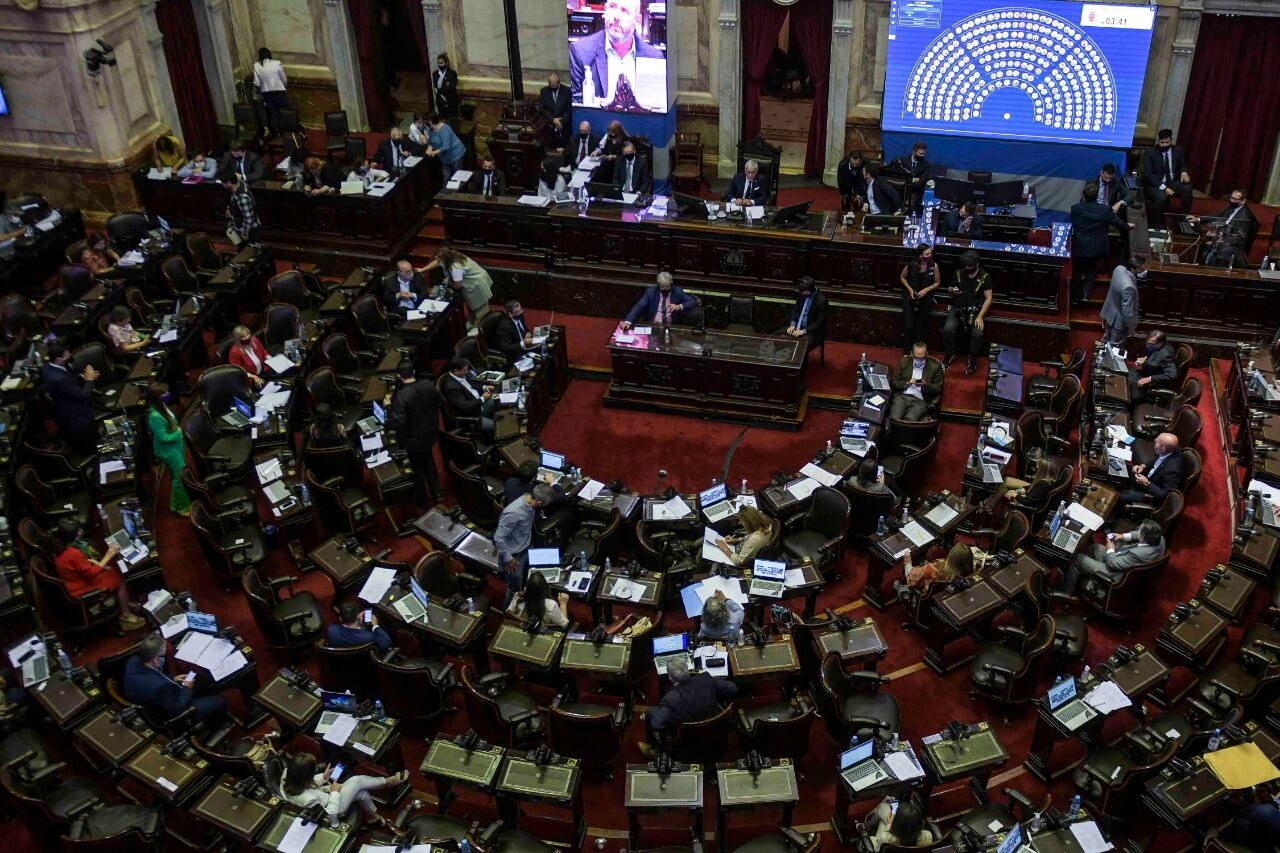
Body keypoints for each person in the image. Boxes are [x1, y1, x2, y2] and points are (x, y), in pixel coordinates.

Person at [52, 519, 145, 630]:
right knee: (119, 580)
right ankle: (125, 615)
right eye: (78, 530)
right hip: (81, 589)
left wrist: (95, 563)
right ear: (73, 536)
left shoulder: (59, 549)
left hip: (73, 583)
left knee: (111, 571)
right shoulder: (73, 553)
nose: (81, 531)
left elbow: (74, 565)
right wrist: (108, 555)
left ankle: (125, 603)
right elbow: (91, 573)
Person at [638, 656, 738, 757]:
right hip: (714, 732)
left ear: (670, 678)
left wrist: (671, 724)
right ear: (688, 670)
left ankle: (656, 750)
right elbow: (733, 689)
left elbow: (657, 724)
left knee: (650, 712)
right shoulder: (706, 679)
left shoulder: (670, 698)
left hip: (686, 740)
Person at [274, 750, 406, 827]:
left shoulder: (288, 773)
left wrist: (324, 777)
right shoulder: (307, 799)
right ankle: (388, 781)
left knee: (361, 792)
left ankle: (375, 817)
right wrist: (335, 793)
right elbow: (331, 815)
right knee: (356, 780)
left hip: (324, 794)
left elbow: (308, 783)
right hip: (334, 807)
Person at [570, 0, 664, 107]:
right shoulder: (581, 52)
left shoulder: (653, 58)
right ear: (605, 10)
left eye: (624, 10)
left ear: (637, 20)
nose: (616, 17)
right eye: (612, 6)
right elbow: (578, 109)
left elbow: (655, 111)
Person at [124, 634, 228, 722]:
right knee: (220, 700)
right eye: (163, 656)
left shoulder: (133, 661)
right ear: (156, 659)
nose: (164, 658)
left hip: (153, 698)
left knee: (201, 681)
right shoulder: (159, 687)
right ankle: (219, 724)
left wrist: (172, 679)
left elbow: (155, 674)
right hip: (170, 713)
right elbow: (177, 709)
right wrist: (187, 688)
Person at [385, 360, 445, 506]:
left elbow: (397, 422)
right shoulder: (427, 385)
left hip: (412, 439)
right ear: (413, 372)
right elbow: (441, 402)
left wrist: (388, 407)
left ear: (399, 375)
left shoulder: (401, 396)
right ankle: (437, 494)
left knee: (416, 467)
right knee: (429, 461)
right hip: (430, 434)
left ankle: (422, 500)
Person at [1061, 519, 1166, 595]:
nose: (1137, 529)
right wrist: (1122, 536)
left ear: (1144, 538)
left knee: (1078, 558)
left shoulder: (1137, 555)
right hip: (1122, 563)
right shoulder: (1159, 539)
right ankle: (1093, 581)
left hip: (1115, 574)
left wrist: (1111, 548)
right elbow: (1139, 534)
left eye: (1140, 531)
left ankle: (1065, 594)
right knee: (1096, 548)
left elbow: (1112, 564)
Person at [1069, 181, 1131, 305]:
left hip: (1079, 246)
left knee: (1077, 271)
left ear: (1083, 195)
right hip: (1095, 248)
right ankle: (1085, 295)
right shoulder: (1104, 210)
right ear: (1097, 195)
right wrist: (1127, 226)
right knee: (1091, 270)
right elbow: (1119, 224)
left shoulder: (1075, 209)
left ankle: (1074, 297)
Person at [494, 484, 554, 607]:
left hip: (527, 547)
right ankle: (508, 616)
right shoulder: (514, 512)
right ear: (540, 501)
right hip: (514, 558)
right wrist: (508, 558)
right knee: (514, 591)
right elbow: (498, 538)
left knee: (528, 580)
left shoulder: (531, 502)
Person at [41, 340, 99, 456]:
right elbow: (83, 395)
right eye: (66, 354)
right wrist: (89, 379)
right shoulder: (60, 379)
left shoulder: (47, 367)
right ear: (58, 360)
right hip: (78, 417)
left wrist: (80, 377)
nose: (69, 355)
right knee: (89, 446)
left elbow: (67, 380)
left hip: (63, 409)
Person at [942, 250, 993, 375]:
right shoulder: (959, 273)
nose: (968, 268)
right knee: (948, 329)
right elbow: (949, 289)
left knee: (977, 334)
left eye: (970, 266)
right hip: (958, 307)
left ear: (977, 263)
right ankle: (949, 354)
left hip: (975, 311)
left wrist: (980, 316)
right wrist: (952, 290)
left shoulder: (985, 276)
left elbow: (989, 298)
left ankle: (973, 361)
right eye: (966, 266)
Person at [145, 382, 191, 517]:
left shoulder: (162, 406)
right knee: (180, 478)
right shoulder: (154, 416)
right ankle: (182, 508)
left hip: (176, 446)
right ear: (157, 398)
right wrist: (178, 432)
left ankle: (175, 503)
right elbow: (163, 437)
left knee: (177, 476)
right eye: (164, 394)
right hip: (169, 451)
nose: (167, 395)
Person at [419, 248, 493, 327]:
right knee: (472, 306)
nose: (438, 262)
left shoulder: (456, 268)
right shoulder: (452, 255)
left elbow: (458, 285)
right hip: (476, 279)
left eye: (439, 260)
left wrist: (449, 283)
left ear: (445, 259)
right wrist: (423, 270)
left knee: (481, 310)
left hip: (477, 286)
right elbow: (437, 262)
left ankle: (478, 328)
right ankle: (472, 322)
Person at [1194, 188, 1258, 268]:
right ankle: (1201, 266)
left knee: (1214, 248)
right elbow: (1218, 214)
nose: (1231, 200)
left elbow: (1237, 238)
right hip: (1222, 238)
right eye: (1231, 198)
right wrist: (1199, 219)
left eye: (1235, 199)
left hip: (1231, 246)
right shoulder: (1233, 208)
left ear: (1243, 201)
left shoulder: (1245, 217)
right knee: (1203, 242)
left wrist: (1217, 239)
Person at [1120, 432, 1184, 507]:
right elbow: (1158, 458)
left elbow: (1165, 495)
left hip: (1151, 494)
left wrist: (1146, 483)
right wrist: (1143, 466)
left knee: (1121, 495)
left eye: (1157, 441)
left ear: (1163, 449)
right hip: (1149, 478)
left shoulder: (1173, 470)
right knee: (1125, 471)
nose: (1154, 440)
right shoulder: (1170, 449)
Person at [1142, 128, 1193, 222]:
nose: (1164, 145)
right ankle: (1154, 222)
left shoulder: (1178, 150)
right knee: (1162, 196)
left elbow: (1183, 164)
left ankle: (1184, 217)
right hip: (1156, 184)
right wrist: (1164, 188)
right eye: (1162, 142)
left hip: (1172, 181)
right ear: (1159, 141)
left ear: (1171, 140)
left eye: (1167, 142)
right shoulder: (1150, 153)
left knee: (1187, 188)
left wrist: (1184, 172)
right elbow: (1148, 175)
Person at [441, 357, 496, 437]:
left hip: (478, 405)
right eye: (464, 370)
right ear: (456, 371)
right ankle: (489, 441)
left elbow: (473, 386)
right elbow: (465, 407)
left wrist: (484, 387)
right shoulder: (451, 387)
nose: (467, 372)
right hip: (471, 415)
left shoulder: (461, 375)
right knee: (494, 426)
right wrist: (482, 399)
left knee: (496, 400)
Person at [621, 271, 697, 330]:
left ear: (671, 284)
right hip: (653, 326)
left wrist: (679, 306)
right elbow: (639, 306)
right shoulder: (651, 292)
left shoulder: (677, 291)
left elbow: (693, 301)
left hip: (672, 327)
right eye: (662, 287)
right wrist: (628, 321)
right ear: (658, 285)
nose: (665, 289)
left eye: (667, 287)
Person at [888, 342, 943, 422]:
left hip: (920, 401)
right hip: (902, 397)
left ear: (926, 354)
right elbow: (893, 383)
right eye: (917, 358)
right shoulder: (904, 362)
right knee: (894, 418)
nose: (919, 361)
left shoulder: (935, 367)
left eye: (922, 358)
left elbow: (938, 388)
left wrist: (925, 385)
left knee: (909, 420)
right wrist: (907, 383)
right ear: (912, 354)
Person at [899, 244, 940, 348]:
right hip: (910, 297)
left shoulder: (934, 265)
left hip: (926, 298)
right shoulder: (912, 264)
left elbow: (937, 282)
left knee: (920, 326)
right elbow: (902, 277)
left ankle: (918, 351)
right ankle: (907, 350)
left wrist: (926, 290)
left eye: (930, 253)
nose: (930, 255)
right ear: (920, 256)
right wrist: (910, 289)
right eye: (927, 254)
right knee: (909, 326)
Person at [1100, 255, 1146, 347]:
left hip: (1109, 313)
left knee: (1106, 340)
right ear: (1134, 268)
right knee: (1114, 348)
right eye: (1141, 269)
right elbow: (1127, 312)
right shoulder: (1128, 287)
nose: (1143, 270)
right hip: (1119, 322)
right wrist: (1131, 328)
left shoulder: (1119, 269)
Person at [710, 505, 777, 567]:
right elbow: (749, 538)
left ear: (750, 523)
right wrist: (735, 540)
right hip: (741, 548)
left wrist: (724, 548)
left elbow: (738, 561)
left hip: (738, 559)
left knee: (705, 549)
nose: (739, 523)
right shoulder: (767, 524)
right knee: (703, 541)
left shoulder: (755, 539)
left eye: (741, 521)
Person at [863, 798, 935, 850]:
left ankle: (864, 826)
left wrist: (889, 823)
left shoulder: (885, 838)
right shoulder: (927, 836)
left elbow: (876, 850)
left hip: (883, 841)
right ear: (920, 822)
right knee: (882, 817)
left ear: (895, 824)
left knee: (882, 808)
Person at [899, 543, 974, 593]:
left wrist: (907, 558)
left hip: (925, 593)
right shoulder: (969, 574)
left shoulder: (935, 566)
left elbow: (911, 577)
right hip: (941, 594)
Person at [1128, 330, 1177, 401]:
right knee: (1126, 372)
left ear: (1160, 343)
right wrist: (1145, 358)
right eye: (1147, 342)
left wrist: (1149, 379)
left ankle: (1134, 400)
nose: (1148, 345)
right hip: (1147, 371)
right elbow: (1153, 355)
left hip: (1153, 379)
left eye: (1151, 344)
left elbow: (1172, 375)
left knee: (1130, 380)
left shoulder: (1166, 354)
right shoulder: (1157, 347)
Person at [253, 48, 292, 135]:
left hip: (267, 94)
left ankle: (277, 133)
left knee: (274, 114)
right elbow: (284, 79)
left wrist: (258, 93)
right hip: (280, 91)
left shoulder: (256, 65)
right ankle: (290, 130)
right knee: (287, 111)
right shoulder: (276, 63)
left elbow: (256, 82)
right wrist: (285, 88)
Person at [326, 600, 391, 652]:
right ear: (358, 616)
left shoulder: (331, 630)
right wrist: (375, 625)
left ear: (341, 618)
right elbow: (386, 642)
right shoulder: (369, 636)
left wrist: (360, 624)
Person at [787, 276, 828, 356]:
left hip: (813, 332)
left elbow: (820, 322)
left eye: (803, 291)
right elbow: (796, 309)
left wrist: (803, 331)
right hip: (797, 326)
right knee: (781, 340)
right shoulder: (801, 293)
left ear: (810, 291)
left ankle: (800, 368)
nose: (801, 293)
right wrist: (792, 324)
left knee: (801, 349)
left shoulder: (821, 301)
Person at [891, 140, 930, 214]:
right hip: (900, 189)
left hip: (915, 191)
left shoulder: (926, 165)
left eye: (924, 154)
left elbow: (921, 182)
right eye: (920, 154)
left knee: (911, 204)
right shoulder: (903, 160)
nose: (922, 156)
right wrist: (913, 179)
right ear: (914, 152)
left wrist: (908, 181)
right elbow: (898, 176)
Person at [423, 114, 465, 180]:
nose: (424, 124)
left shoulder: (445, 129)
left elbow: (446, 146)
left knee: (456, 177)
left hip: (456, 155)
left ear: (430, 121)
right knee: (446, 177)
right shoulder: (431, 130)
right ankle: (446, 190)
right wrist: (429, 150)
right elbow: (430, 142)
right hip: (444, 158)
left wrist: (433, 153)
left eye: (425, 122)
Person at [223, 172, 261, 244]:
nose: (222, 185)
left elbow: (249, 218)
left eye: (223, 183)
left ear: (228, 183)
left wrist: (244, 233)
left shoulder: (242, 198)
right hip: (241, 225)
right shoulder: (240, 184)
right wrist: (229, 208)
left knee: (250, 252)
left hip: (250, 230)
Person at [495, 299, 533, 364]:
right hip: (516, 354)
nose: (521, 313)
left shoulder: (519, 316)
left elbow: (524, 328)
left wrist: (527, 332)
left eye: (521, 310)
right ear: (510, 314)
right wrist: (523, 343)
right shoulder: (504, 327)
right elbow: (506, 348)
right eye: (517, 312)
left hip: (527, 347)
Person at [432, 53, 459, 119]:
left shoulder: (452, 73)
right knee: (442, 120)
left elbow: (452, 87)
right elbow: (435, 87)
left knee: (452, 121)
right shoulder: (435, 74)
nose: (440, 65)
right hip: (440, 102)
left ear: (446, 63)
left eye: (442, 63)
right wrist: (440, 92)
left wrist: (439, 90)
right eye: (438, 63)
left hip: (451, 102)